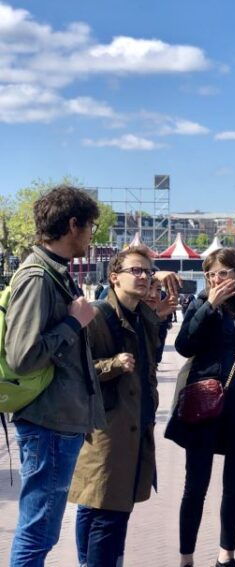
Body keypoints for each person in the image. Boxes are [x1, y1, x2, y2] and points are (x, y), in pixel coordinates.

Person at [7, 186, 105, 566]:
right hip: (48, 424)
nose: (91, 237)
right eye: (91, 227)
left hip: (59, 422)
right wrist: (73, 322)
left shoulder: (54, 272)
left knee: (43, 531)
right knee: (37, 532)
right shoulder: (37, 277)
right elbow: (22, 356)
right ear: (72, 224)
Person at [166, 248, 235, 567]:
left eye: (223, 273)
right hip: (202, 405)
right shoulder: (202, 303)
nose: (216, 279)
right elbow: (184, 346)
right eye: (211, 274)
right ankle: (186, 558)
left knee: (234, 486)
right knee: (195, 485)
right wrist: (209, 307)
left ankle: (226, 556)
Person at [68, 247, 177, 567]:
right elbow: (78, 370)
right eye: (136, 271)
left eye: (149, 271)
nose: (144, 277)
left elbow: (151, 364)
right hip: (107, 430)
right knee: (108, 513)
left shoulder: (142, 316)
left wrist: (160, 312)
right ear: (114, 278)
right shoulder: (100, 314)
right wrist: (113, 364)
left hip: (133, 425)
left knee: (99, 508)